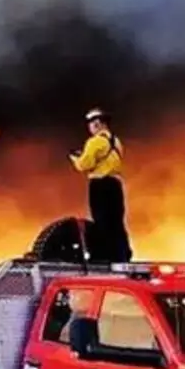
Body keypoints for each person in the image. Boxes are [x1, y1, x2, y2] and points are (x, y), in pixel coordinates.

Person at [69, 108, 132, 263]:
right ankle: (122, 255)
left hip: (100, 185)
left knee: (102, 221)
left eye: (91, 124)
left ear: (96, 124)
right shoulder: (116, 142)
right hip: (115, 185)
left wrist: (75, 159)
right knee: (116, 222)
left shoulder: (95, 142)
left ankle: (105, 256)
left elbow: (84, 165)